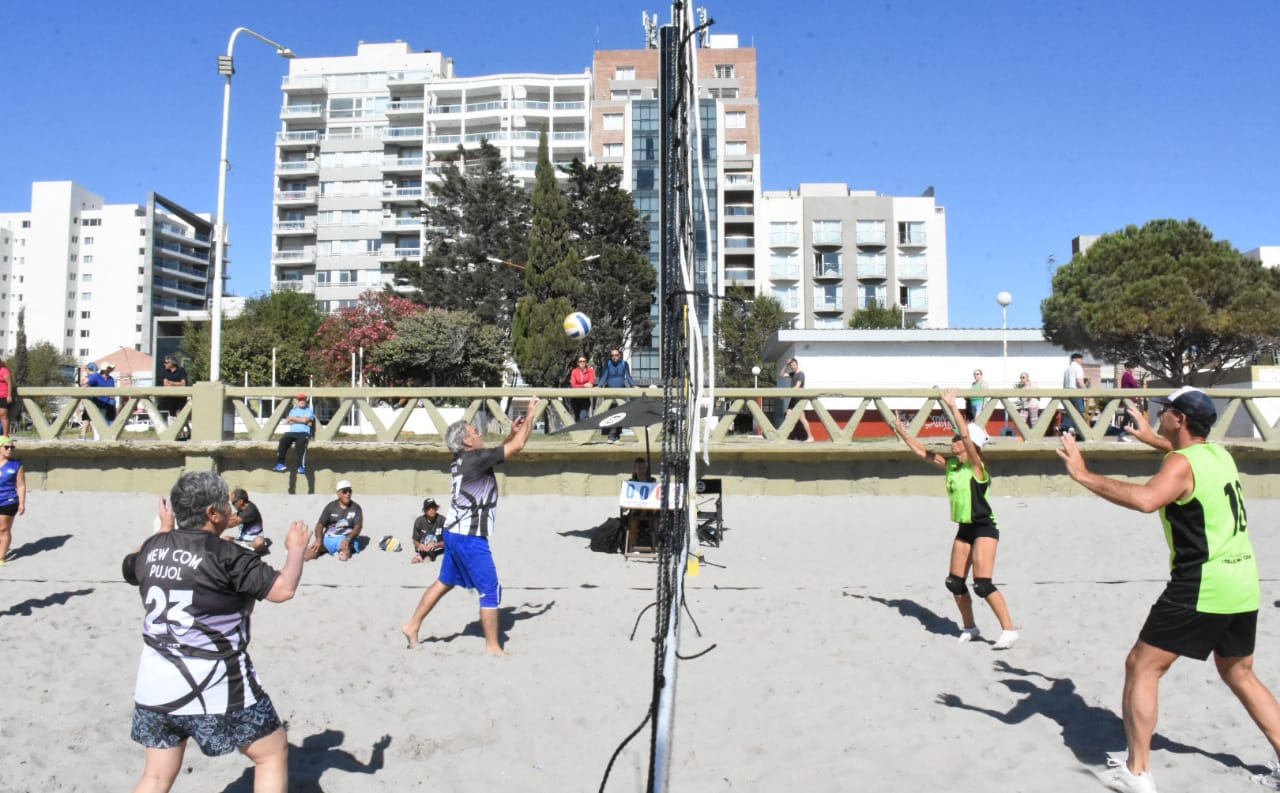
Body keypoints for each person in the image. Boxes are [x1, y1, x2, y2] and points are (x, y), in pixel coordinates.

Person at [1058, 387, 1280, 792]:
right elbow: (1185, 458)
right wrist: (1149, 438)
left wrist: (1084, 475)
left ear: (1179, 419)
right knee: (1240, 672)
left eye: (1164, 413)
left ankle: (1137, 772)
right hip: (1244, 581)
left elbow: (1146, 500)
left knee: (1142, 666)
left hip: (1202, 584)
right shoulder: (1219, 454)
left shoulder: (1180, 462)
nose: (1158, 416)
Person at [122, 471, 311, 793]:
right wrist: (296, 550)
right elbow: (283, 589)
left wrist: (165, 530)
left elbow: (131, 566)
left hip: (155, 684)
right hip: (215, 681)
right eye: (225, 504)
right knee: (272, 753)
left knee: (155, 776)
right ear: (212, 513)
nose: (230, 510)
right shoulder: (227, 554)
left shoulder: (152, 549)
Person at [401, 397, 539, 655]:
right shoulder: (474, 459)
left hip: (453, 534)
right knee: (490, 589)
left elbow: (498, 454)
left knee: (445, 582)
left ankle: (412, 625)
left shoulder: (463, 460)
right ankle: (493, 647)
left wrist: (511, 433)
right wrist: (531, 414)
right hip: (468, 537)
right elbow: (518, 447)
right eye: (475, 432)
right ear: (467, 441)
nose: (479, 434)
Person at [891, 389, 1018, 650]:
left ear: (971, 444)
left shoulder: (976, 467)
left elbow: (968, 440)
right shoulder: (952, 465)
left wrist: (953, 408)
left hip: (984, 528)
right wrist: (901, 431)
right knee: (955, 582)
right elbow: (922, 453)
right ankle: (970, 627)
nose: (953, 440)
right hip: (965, 528)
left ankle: (1009, 630)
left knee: (982, 584)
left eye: (958, 438)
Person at [306, 480, 365, 561]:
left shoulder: (356, 508)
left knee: (343, 556)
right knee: (308, 555)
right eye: (344, 491)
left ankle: (343, 552)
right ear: (338, 494)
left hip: (346, 538)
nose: (348, 494)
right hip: (329, 538)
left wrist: (348, 539)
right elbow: (320, 524)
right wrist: (319, 539)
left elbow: (358, 527)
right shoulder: (330, 507)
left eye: (350, 491)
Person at [598, 349, 636, 442]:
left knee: (621, 414)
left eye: (616, 355)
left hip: (621, 392)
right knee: (611, 414)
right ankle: (611, 436)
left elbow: (628, 376)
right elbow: (605, 375)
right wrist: (599, 385)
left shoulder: (624, 364)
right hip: (610, 392)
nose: (614, 357)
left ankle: (617, 436)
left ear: (620, 355)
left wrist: (634, 386)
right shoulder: (608, 364)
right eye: (612, 355)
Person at [273, 394, 315, 474]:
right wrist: (302, 420)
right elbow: (288, 420)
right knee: (283, 441)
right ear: (297, 401)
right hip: (292, 432)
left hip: (304, 432)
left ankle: (301, 467)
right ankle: (281, 464)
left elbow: (305, 421)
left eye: (303, 400)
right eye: (300, 400)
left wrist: (294, 419)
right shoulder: (293, 410)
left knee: (300, 445)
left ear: (306, 401)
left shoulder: (309, 411)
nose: (302, 401)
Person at [0, 436, 25, 566]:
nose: (10, 450)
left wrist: (22, 503)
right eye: (7, 447)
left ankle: (1, 557)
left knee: (4, 529)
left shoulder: (16, 465)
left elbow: (21, 486)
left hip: (8, 500)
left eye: (12, 447)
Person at [779, 357, 813, 441]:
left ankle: (810, 437)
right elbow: (781, 375)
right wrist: (786, 365)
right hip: (794, 399)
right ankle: (784, 436)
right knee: (788, 416)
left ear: (797, 365)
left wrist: (786, 395)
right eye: (791, 366)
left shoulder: (801, 374)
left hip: (799, 399)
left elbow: (797, 387)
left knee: (802, 419)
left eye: (793, 365)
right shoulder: (792, 374)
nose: (792, 367)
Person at [225, 488, 267, 552]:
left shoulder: (250, 511)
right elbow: (232, 516)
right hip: (242, 541)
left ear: (240, 501)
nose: (233, 505)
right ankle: (244, 550)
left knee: (260, 542)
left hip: (253, 541)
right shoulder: (244, 508)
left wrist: (216, 525)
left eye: (233, 503)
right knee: (225, 539)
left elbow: (232, 523)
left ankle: (244, 551)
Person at [159, 356, 189, 439]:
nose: (165, 364)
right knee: (171, 415)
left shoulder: (181, 370)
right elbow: (165, 385)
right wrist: (176, 384)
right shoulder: (165, 372)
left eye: (166, 362)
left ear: (172, 363)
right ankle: (174, 434)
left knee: (179, 414)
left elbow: (183, 383)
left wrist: (171, 383)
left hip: (180, 398)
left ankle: (184, 433)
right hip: (171, 398)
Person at [410, 497, 446, 563]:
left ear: (436, 508)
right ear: (424, 510)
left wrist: (435, 544)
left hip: (438, 547)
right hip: (423, 547)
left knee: (431, 553)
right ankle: (420, 556)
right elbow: (415, 540)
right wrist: (420, 545)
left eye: (433, 507)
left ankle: (427, 557)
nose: (431, 510)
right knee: (422, 550)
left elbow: (447, 541)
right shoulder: (419, 521)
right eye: (428, 508)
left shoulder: (442, 520)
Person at [1061, 352, 1086, 438]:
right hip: (1076, 392)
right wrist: (1086, 392)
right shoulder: (1078, 367)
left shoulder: (1067, 370)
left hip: (1067, 392)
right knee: (1080, 411)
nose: (1082, 361)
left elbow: (1064, 384)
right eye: (1081, 359)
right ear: (1077, 359)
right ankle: (1080, 430)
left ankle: (1066, 427)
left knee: (1069, 412)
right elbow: (1080, 381)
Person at [1118, 361, 1143, 440]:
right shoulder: (1128, 375)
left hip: (1129, 399)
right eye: (1132, 367)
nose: (1134, 369)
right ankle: (1142, 434)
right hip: (1130, 400)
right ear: (1128, 368)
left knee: (1127, 417)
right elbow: (1135, 385)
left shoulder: (1126, 375)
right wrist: (1139, 386)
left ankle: (1121, 435)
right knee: (1133, 417)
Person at [569, 356, 596, 422]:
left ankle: (587, 430)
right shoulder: (574, 371)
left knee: (583, 417)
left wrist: (579, 385)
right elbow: (573, 385)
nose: (582, 363)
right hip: (575, 397)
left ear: (586, 362)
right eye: (580, 361)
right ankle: (577, 432)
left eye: (584, 361)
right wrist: (584, 385)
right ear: (578, 363)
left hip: (585, 398)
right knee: (577, 419)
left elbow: (591, 383)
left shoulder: (591, 371)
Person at [0, 357, 13, 436]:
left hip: (3, 396)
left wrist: (9, 395)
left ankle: (5, 435)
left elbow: (9, 383)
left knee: (3, 415)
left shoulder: (4, 370)